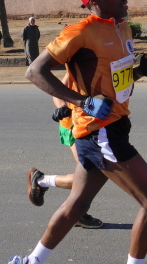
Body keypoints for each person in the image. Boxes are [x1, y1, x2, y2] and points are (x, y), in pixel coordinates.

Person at [8, 0, 147, 264]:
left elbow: (115, 80)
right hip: (100, 132)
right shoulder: (80, 31)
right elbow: (35, 72)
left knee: (77, 205)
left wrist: (142, 70)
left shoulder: (122, 28)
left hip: (114, 125)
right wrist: (80, 101)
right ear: (94, 0)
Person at [26, 74, 103, 229]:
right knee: (89, 176)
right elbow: (56, 90)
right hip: (75, 126)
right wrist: (62, 107)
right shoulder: (80, 63)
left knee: (93, 174)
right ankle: (42, 182)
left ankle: (76, 211)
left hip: (96, 125)